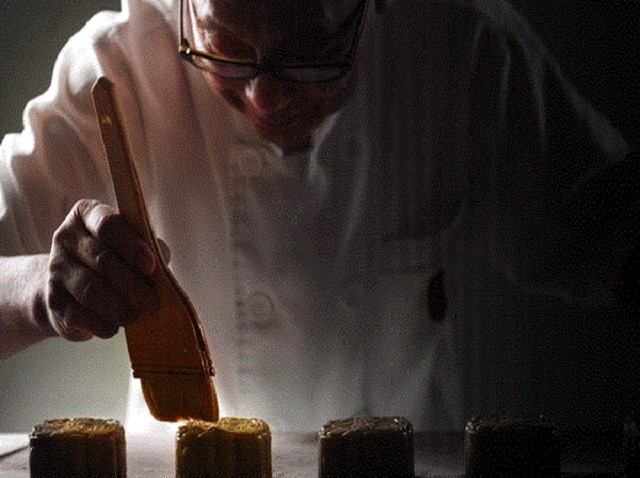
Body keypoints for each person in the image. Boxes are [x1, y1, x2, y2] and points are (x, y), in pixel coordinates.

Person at [0, 0, 636, 432]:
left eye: (309, 49)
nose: (264, 96)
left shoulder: (464, 46)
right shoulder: (120, 63)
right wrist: (39, 288)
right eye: (226, 47)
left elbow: (615, 239)